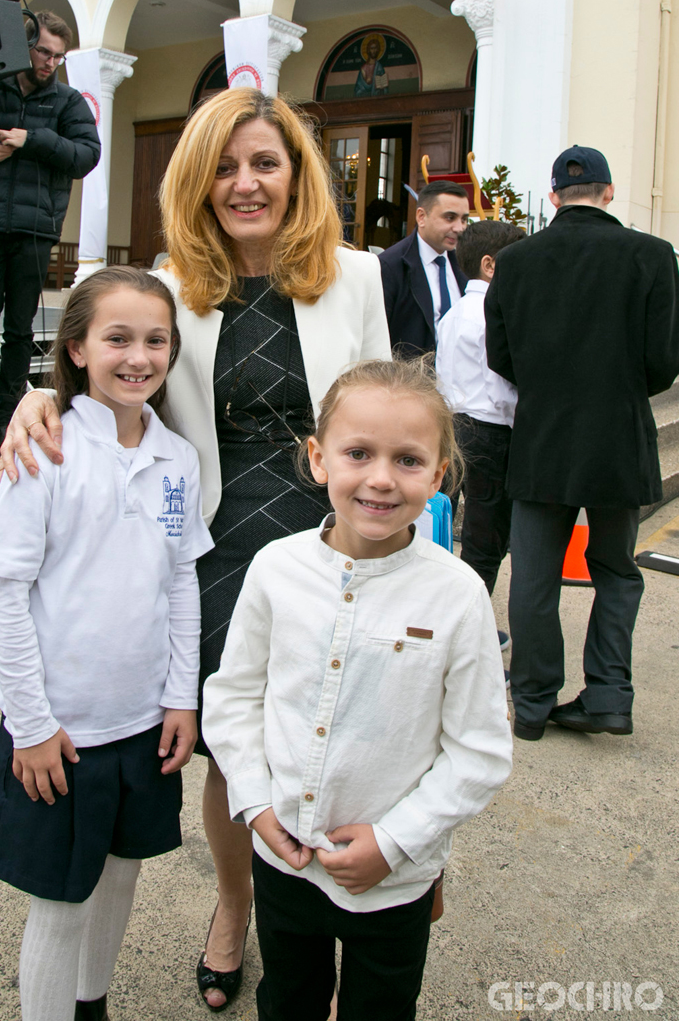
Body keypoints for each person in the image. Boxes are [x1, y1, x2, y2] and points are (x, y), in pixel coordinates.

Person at [0, 87, 392, 1011]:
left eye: (265, 161)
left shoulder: (359, 274)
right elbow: (107, 365)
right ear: (196, 179)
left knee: (340, 738)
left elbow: (382, 399)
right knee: (234, 750)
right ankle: (234, 907)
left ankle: (329, 921)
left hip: (333, 538)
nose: (245, 182)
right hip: (217, 548)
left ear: (297, 172)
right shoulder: (175, 284)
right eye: (223, 164)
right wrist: (38, 397)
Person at [203, 358, 512, 1021]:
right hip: (282, 857)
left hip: (393, 878)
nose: (379, 477)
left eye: (406, 459)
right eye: (357, 452)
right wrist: (257, 806)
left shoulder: (457, 594)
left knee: (381, 1005)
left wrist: (396, 841)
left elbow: (480, 750)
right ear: (318, 458)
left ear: (437, 474)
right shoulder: (275, 570)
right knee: (288, 999)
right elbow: (232, 700)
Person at [0, 266, 213, 1021]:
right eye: (117, 338)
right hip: (62, 732)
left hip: (142, 722)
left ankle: (90, 1004)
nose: (138, 356)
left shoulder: (178, 458)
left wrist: (180, 695)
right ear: (76, 348)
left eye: (155, 340)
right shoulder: (45, 450)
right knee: (62, 902)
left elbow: (180, 582)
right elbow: (4, 593)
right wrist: (31, 724)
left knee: (120, 876)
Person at [484, 146, 679, 741]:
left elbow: (501, 357)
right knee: (617, 569)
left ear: (553, 198)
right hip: (619, 433)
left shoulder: (516, 261)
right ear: (609, 192)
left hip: (544, 434)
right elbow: (664, 363)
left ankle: (535, 702)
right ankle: (609, 697)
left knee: (536, 575)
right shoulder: (652, 254)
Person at [0, 10, 101, 454]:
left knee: (20, 331)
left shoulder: (68, 103)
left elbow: (87, 155)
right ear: (24, 45)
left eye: (58, 56)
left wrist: (33, 139)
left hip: (35, 230)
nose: (50, 62)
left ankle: (11, 422)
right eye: (44, 51)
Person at [436, 220, 522, 614]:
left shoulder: (455, 312)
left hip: (453, 426)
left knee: (449, 530)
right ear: (490, 265)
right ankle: (466, 623)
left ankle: (444, 614)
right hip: (489, 433)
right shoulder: (492, 313)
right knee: (486, 542)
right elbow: (501, 388)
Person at [378, 180, 470, 359]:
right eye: (450, 218)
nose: (459, 228)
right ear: (421, 217)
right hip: (412, 380)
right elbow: (379, 336)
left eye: (464, 219)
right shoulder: (390, 265)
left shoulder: (464, 264)